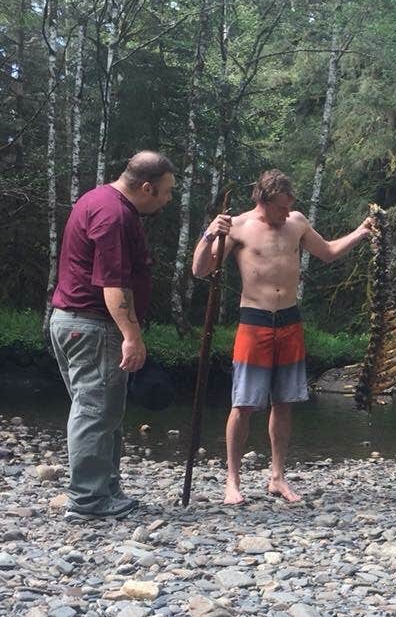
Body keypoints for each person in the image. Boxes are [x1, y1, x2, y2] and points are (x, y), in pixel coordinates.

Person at [192, 169, 372, 505]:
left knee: (284, 403)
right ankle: (232, 482)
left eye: (289, 207)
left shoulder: (297, 222)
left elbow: (329, 252)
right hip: (254, 320)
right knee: (243, 404)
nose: (286, 213)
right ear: (262, 201)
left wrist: (361, 232)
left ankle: (277, 477)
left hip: (290, 321)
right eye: (280, 208)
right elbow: (200, 270)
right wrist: (208, 235)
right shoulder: (240, 226)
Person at [50, 151, 176, 520]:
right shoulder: (115, 214)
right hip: (92, 324)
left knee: (102, 411)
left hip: (75, 322)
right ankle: (88, 500)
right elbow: (113, 285)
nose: (168, 200)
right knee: (94, 412)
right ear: (147, 187)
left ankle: (105, 489)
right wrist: (132, 336)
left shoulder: (96, 198)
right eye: (166, 192)